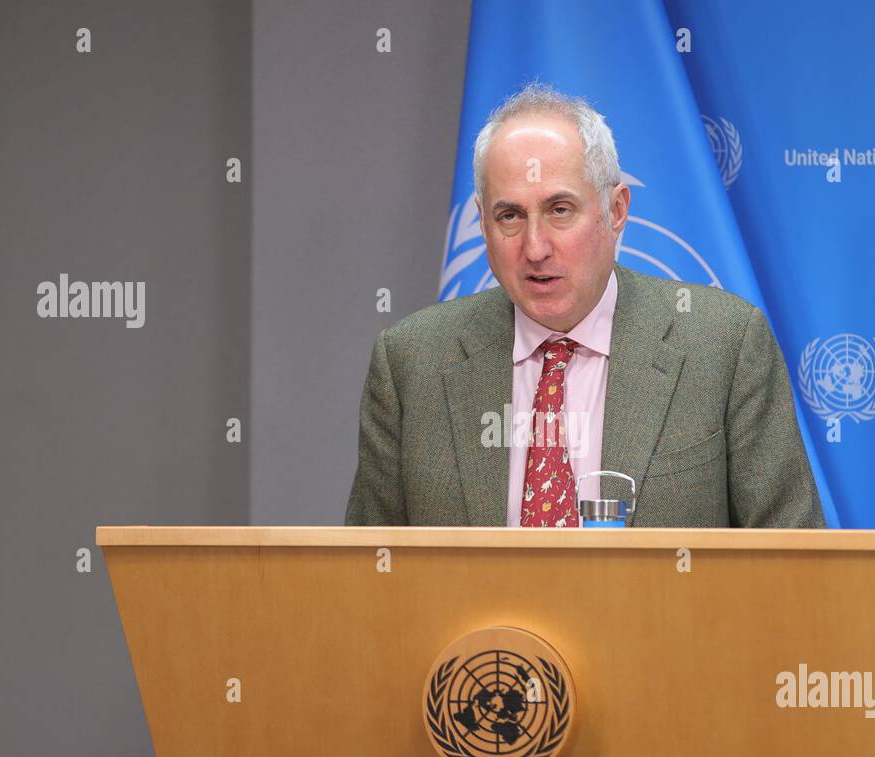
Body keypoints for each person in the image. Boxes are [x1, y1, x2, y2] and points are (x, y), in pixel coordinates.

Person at [345, 82, 825, 529]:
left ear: (616, 211)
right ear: (483, 225)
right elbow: (368, 579)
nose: (535, 248)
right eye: (509, 216)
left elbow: (793, 568)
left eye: (559, 210)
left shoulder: (724, 347)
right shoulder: (411, 363)